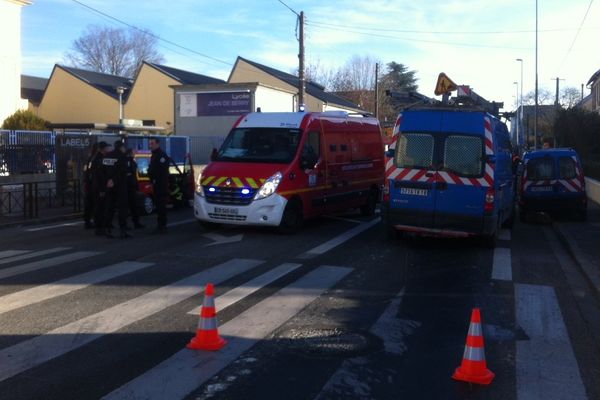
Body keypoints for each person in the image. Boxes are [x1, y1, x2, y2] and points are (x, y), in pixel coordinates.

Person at [103, 140, 131, 239]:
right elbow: (123, 171)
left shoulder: (107, 156)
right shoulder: (122, 157)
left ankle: (107, 230)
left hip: (109, 185)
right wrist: (114, 180)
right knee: (122, 208)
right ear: (121, 147)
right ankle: (122, 230)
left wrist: (109, 180)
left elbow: (104, 170)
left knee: (109, 207)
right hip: (120, 185)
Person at [148, 138, 169, 234]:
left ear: (157, 144)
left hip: (161, 185)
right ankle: (160, 224)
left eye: (152, 143)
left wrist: (156, 180)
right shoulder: (154, 155)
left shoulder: (161, 155)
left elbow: (162, 172)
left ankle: (162, 225)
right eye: (150, 144)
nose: (150, 145)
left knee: (161, 206)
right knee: (158, 205)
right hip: (156, 185)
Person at [91, 142, 111, 236]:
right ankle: (99, 228)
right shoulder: (99, 159)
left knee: (101, 207)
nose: (108, 149)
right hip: (100, 187)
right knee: (100, 208)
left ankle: (100, 227)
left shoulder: (98, 158)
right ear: (102, 148)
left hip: (98, 186)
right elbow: (100, 175)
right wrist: (102, 189)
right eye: (107, 147)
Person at [125, 148, 144, 229]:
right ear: (130, 153)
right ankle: (134, 223)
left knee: (132, 206)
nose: (134, 153)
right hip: (130, 187)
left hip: (130, 187)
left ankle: (134, 222)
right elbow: (129, 174)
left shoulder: (131, 161)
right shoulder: (129, 162)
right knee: (133, 206)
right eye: (133, 152)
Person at [83, 143, 98, 229]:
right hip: (92, 184)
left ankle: (87, 221)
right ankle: (93, 221)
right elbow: (91, 172)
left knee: (88, 204)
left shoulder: (88, 159)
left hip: (88, 184)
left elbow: (85, 171)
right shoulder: (94, 159)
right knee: (94, 204)